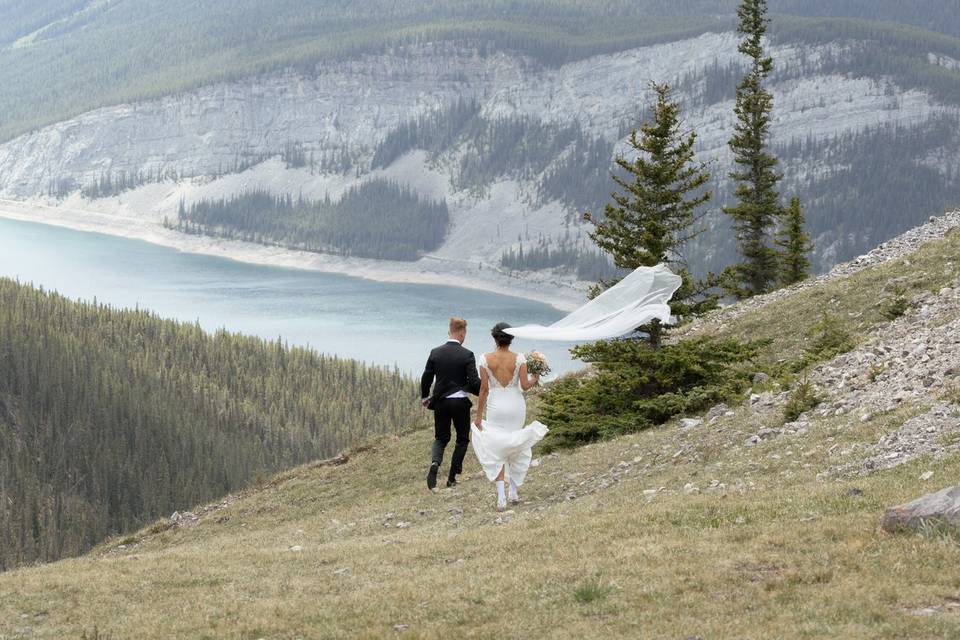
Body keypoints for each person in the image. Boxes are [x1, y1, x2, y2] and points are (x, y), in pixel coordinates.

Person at [471, 322, 548, 511]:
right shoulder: (519, 358)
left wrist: (479, 416)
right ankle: (513, 491)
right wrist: (536, 376)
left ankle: (501, 497)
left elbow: (484, 389)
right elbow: (525, 385)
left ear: (494, 338)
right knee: (515, 445)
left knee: (497, 447)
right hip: (516, 405)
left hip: (496, 406)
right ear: (510, 339)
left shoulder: (484, 359)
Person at [420, 317, 481, 490]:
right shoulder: (467, 354)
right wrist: (483, 392)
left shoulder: (435, 352)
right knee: (462, 439)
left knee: (441, 438)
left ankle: (435, 463)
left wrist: (425, 397)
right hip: (460, 402)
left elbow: (426, 377)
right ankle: (452, 478)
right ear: (463, 333)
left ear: (449, 332)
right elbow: (475, 382)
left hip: (440, 402)